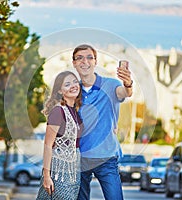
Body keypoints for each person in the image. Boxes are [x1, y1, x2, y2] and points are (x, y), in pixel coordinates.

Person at [72, 44, 133, 200]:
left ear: (95, 62)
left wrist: (128, 83)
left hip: (106, 157)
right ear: (74, 63)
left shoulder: (111, 85)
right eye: (79, 58)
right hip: (80, 159)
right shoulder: (73, 91)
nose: (84, 61)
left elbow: (125, 92)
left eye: (89, 57)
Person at [36, 71, 83, 200]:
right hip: (59, 172)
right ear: (60, 91)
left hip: (73, 172)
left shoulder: (74, 111)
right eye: (67, 84)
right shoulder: (58, 111)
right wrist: (46, 176)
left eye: (74, 82)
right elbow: (48, 145)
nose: (73, 85)